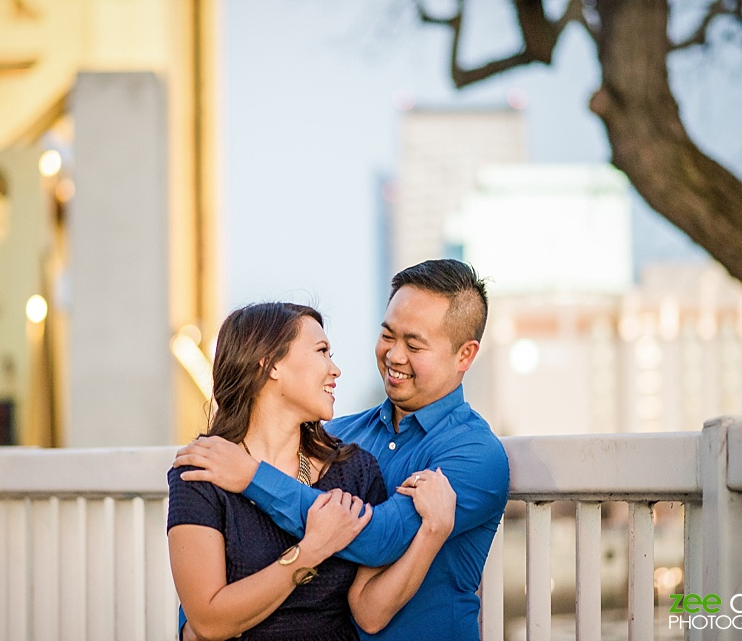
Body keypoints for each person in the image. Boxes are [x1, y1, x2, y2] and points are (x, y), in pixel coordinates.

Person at [176, 259, 510, 640]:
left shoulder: (474, 454)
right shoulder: (339, 441)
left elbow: (380, 538)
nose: (394, 356)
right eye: (388, 335)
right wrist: (197, 619)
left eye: (414, 344)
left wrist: (251, 477)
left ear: (465, 355)